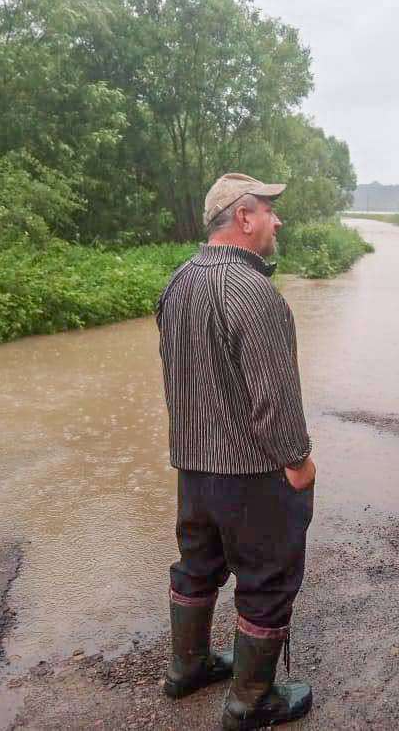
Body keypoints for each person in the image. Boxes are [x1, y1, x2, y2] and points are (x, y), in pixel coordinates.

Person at [156, 173, 317, 729]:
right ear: (244, 218)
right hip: (249, 471)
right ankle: (251, 701)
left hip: (192, 465)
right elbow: (275, 397)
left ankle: (188, 666)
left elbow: (178, 376)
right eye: (270, 210)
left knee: (197, 564)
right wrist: (298, 461)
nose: (278, 220)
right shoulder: (254, 292)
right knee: (267, 578)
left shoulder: (177, 282)